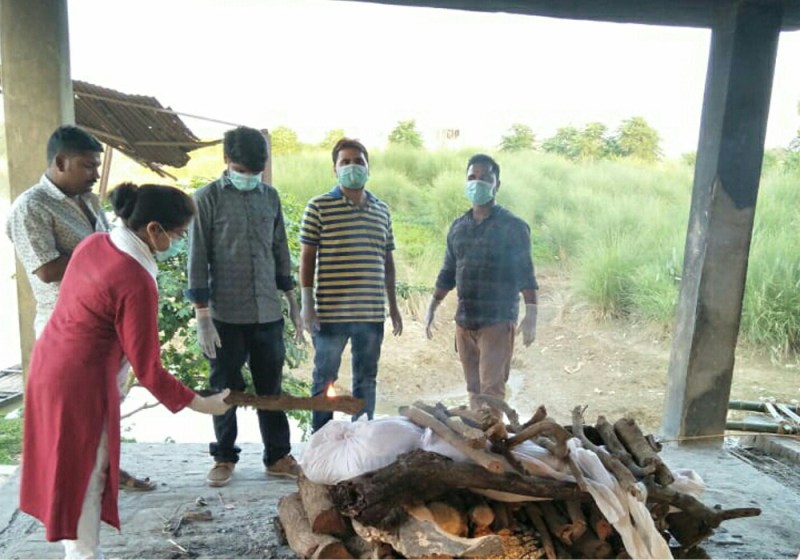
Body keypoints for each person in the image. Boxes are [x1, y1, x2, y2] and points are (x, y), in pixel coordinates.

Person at [18, 182, 232, 559]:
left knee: (67, 465)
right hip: (80, 381)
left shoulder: (95, 243)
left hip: (49, 363)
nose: (179, 242)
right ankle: (83, 555)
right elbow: (149, 370)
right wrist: (201, 404)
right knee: (87, 471)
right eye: (178, 234)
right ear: (153, 229)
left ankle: (78, 550)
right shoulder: (135, 279)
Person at [5, 124, 155, 492]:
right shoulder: (30, 207)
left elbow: (109, 244)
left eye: (97, 166)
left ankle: (104, 468)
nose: (95, 175)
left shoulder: (88, 200)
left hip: (105, 322)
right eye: (88, 166)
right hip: (66, 327)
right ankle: (72, 483)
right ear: (60, 162)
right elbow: (46, 269)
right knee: (74, 411)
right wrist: (105, 256)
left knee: (106, 404)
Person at [185, 126, 302, 488]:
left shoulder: (270, 197)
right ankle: (224, 457)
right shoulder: (206, 198)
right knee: (225, 388)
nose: (249, 177)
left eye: (255, 172)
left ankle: (277, 457)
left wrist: (291, 301)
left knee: (271, 389)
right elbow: (197, 256)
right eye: (242, 170)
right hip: (224, 314)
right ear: (227, 160)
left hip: (267, 311)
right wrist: (202, 315)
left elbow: (279, 248)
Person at [300, 137, 403, 432]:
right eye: (345, 162)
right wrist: (307, 305)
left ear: (368, 168)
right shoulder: (319, 206)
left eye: (358, 161)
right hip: (330, 314)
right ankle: (321, 440)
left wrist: (393, 305)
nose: (352, 167)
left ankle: (362, 440)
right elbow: (307, 259)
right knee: (324, 379)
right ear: (335, 169)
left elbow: (387, 261)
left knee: (366, 380)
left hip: (370, 313)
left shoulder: (381, 209)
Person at [425, 153, 538, 411]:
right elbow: (448, 271)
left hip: (496, 322)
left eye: (485, 178)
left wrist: (532, 313)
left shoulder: (513, 227)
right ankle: (477, 433)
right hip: (465, 321)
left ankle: (492, 434)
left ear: (497, 185)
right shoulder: (458, 227)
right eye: (472, 177)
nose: (478, 183)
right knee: (473, 390)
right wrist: (433, 305)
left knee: (492, 391)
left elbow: (525, 272)